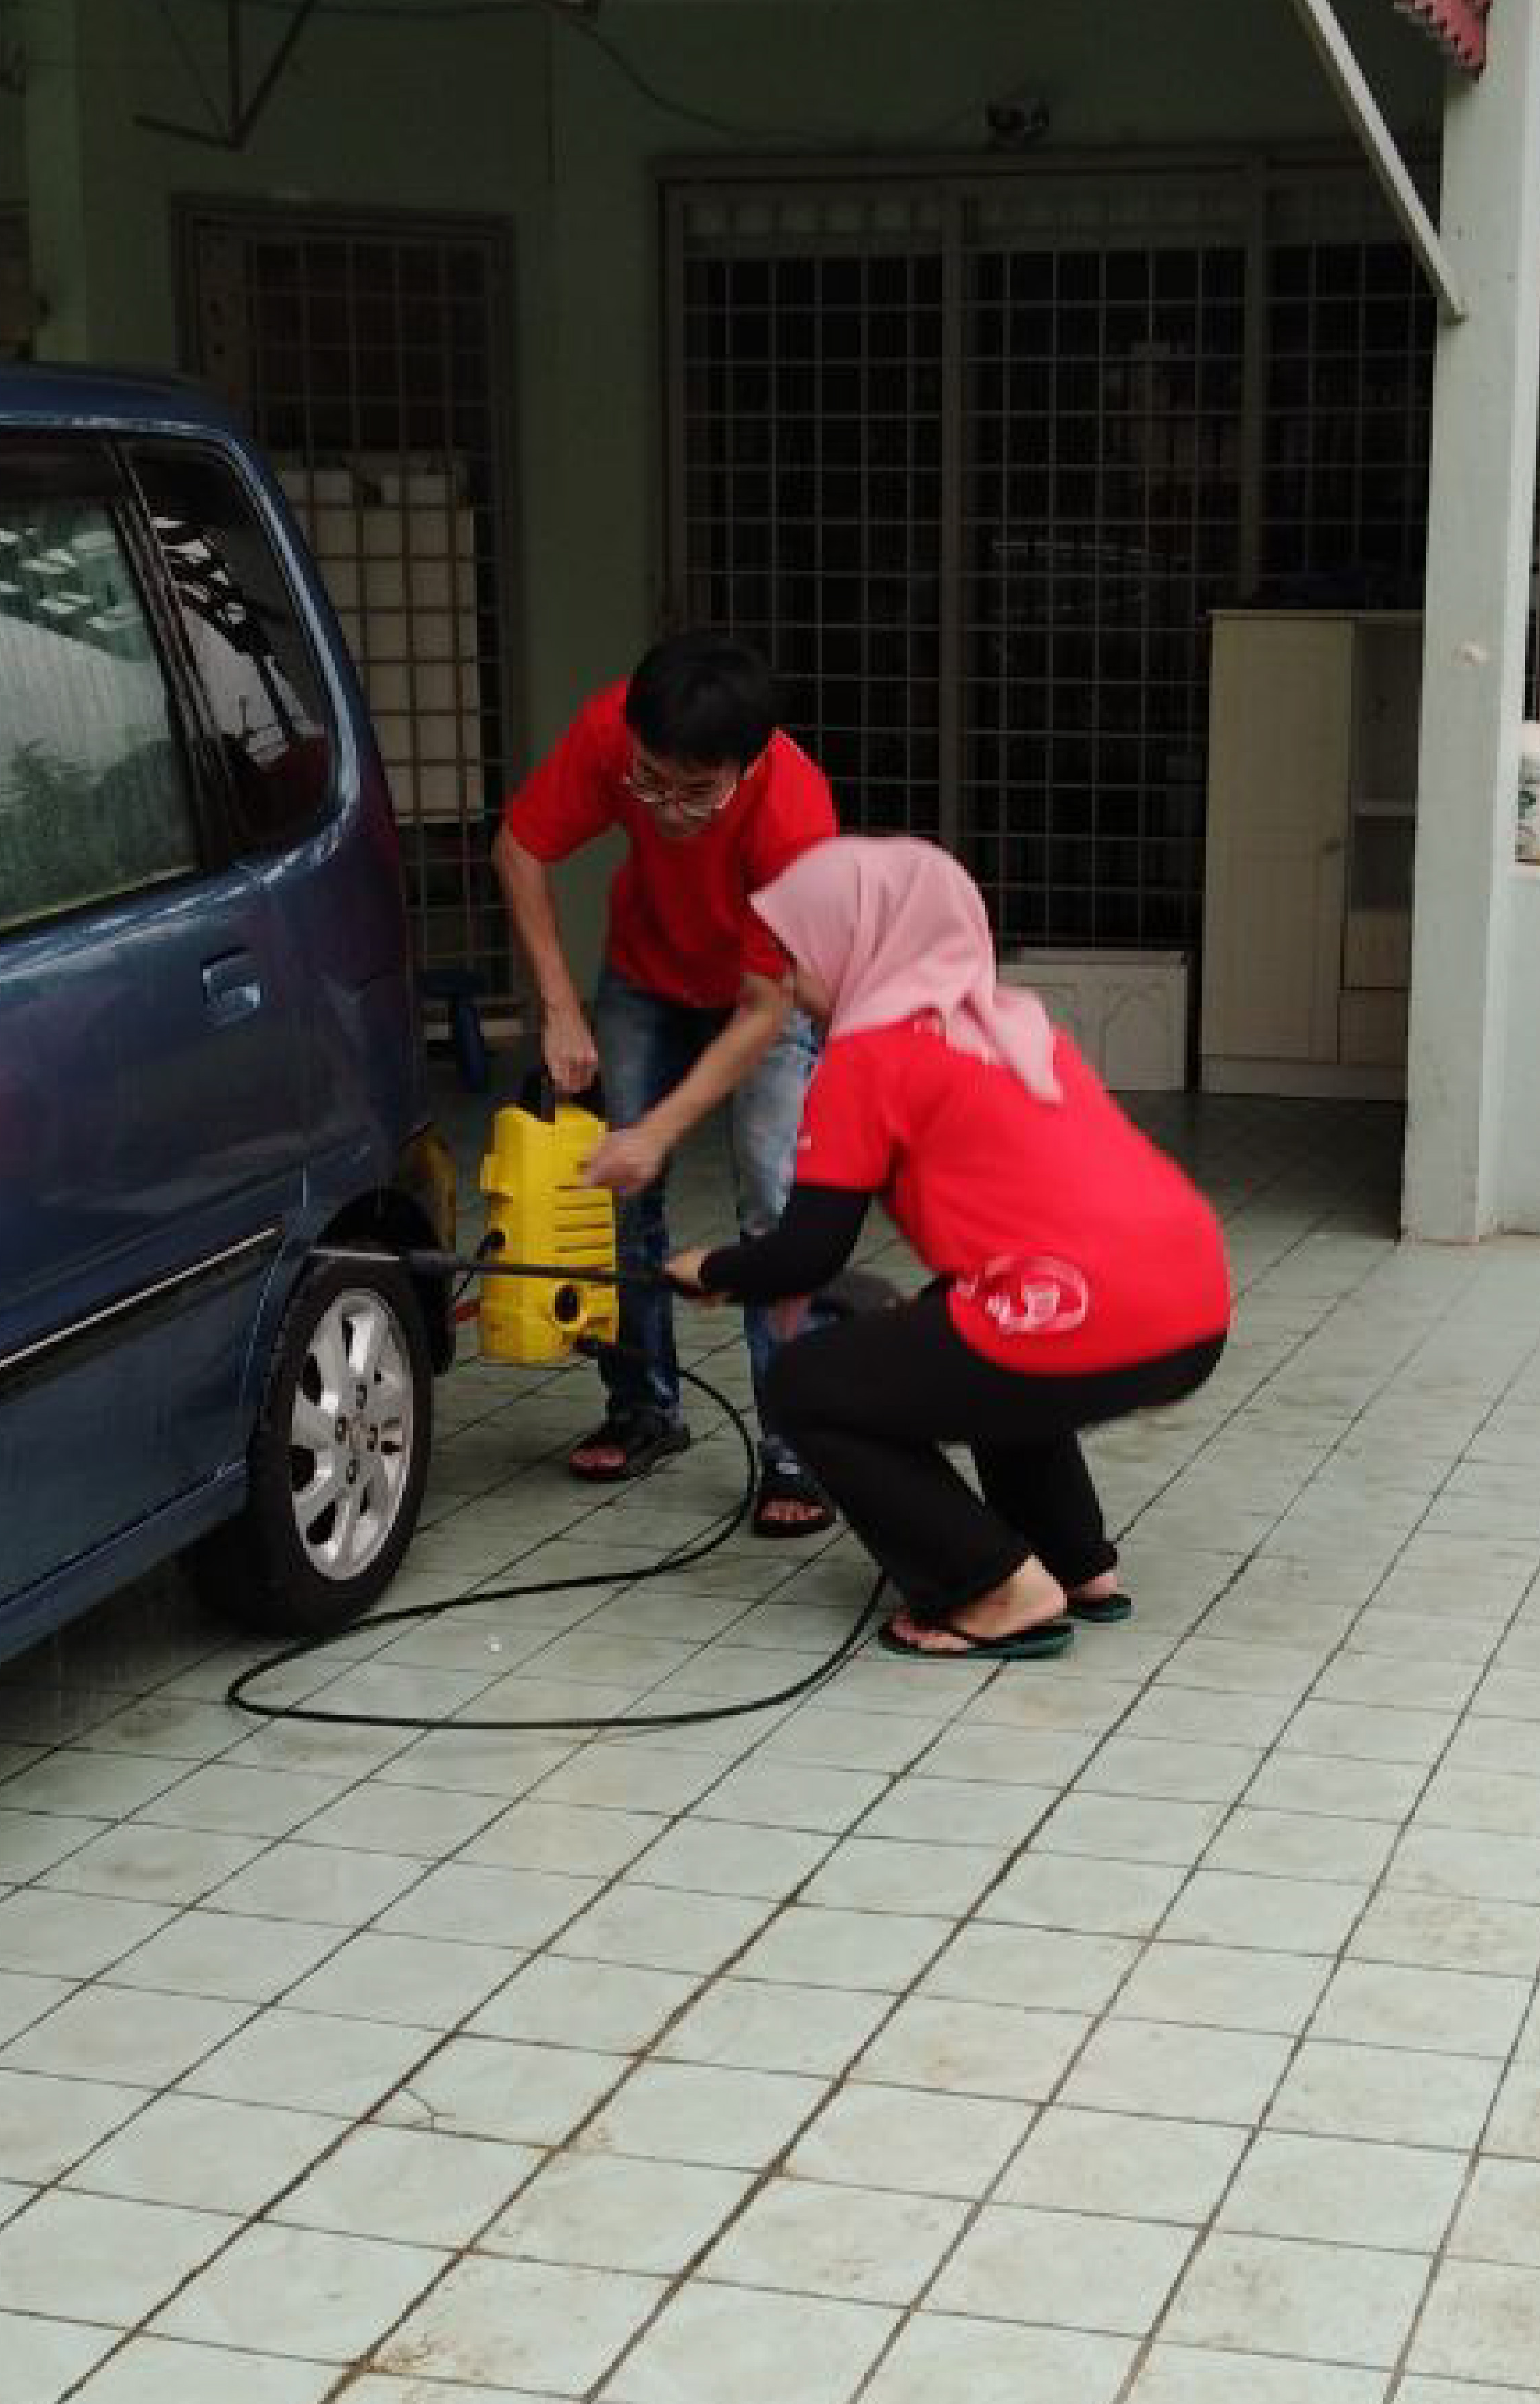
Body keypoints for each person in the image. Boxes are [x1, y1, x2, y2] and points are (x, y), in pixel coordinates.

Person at [668, 836, 1232, 1661]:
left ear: (858, 944)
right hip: (1193, 1315)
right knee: (963, 1326)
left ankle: (992, 1586)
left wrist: (711, 1269)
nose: (792, 984)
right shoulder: (1012, 1022)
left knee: (805, 1384)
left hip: (1082, 1318)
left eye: (802, 955)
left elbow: (805, 1257)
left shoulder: (868, 1057)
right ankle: (1076, 1560)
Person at [495, 630, 840, 1534]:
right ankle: (644, 1407)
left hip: (760, 994)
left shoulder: (796, 820)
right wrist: (559, 1005)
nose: (670, 809)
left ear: (748, 763)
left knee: (774, 1205)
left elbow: (766, 1011)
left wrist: (658, 1131)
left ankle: (799, 1446)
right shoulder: (612, 728)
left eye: (698, 791)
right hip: (645, 972)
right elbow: (521, 847)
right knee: (617, 1193)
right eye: (651, 781)